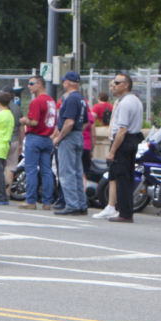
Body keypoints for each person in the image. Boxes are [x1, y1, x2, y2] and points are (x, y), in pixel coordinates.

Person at [95, 72, 144, 222]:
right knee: (127, 177)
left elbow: (122, 130)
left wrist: (112, 151)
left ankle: (124, 213)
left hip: (123, 142)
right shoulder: (135, 101)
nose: (113, 86)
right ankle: (126, 211)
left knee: (121, 177)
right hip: (132, 141)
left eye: (116, 83)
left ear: (126, 85)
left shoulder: (124, 104)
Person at [50, 71, 88, 215]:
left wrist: (59, 137)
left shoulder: (71, 99)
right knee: (78, 171)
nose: (63, 84)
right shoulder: (81, 98)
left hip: (69, 137)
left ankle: (72, 205)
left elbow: (69, 121)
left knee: (67, 172)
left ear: (68, 82)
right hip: (78, 136)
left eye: (64, 81)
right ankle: (81, 204)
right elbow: (85, 123)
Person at [21, 75, 57, 209]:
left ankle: (31, 200)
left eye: (31, 83)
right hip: (47, 138)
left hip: (35, 137)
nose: (29, 86)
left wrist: (25, 121)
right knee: (46, 171)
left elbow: (34, 122)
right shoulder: (51, 101)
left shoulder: (37, 101)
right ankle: (47, 202)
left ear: (39, 84)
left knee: (31, 170)